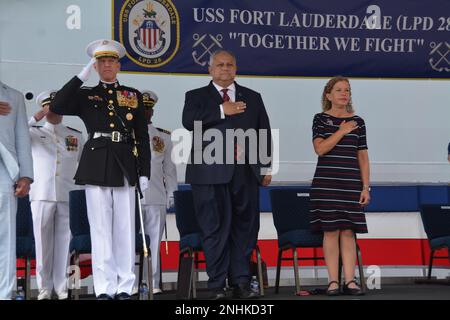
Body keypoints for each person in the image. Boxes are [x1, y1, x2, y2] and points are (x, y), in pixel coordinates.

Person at [50, 39, 151, 300]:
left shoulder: (132, 95)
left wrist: (144, 172)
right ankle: (105, 287)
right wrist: (80, 76)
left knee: (125, 228)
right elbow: (57, 106)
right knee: (100, 228)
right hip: (96, 162)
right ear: (95, 66)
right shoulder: (84, 94)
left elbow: (141, 136)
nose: (107, 65)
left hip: (126, 163)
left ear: (118, 65)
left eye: (111, 61)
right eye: (101, 62)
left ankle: (125, 285)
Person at [182, 50, 272, 300]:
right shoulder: (196, 96)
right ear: (210, 70)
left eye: (229, 65)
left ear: (236, 68)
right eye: (219, 65)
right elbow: (189, 121)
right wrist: (223, 111)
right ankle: (216, 285)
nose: (224, 69)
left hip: (244, 174)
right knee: (214, 228)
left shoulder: (253, 97)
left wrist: (264, 167)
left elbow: (262, 132)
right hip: (208, 174)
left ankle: (241, 282)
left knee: (245, 228)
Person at [309, 76, 370, 296]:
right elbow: (320, 149)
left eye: (347, 90)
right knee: (331, 231)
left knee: (348, 232)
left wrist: (366, 187)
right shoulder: (320, 119)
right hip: (326, 184)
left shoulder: (358, 122)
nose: (344, 94)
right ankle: (333, 281)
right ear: (328, 95)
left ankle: (350, 281)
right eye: (339, 90)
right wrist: (342, 131)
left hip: (351, 184)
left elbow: (362, 156)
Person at [28, 90, 84, 300]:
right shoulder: (32, 132)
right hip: (41, 194)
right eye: (51, 107)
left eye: (59, 107)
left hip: (66, 194)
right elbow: (8, 132)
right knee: (42, 243)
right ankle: (44, 287)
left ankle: (61, 287)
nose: (55, 111)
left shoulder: (75, 135)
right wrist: (37, 116)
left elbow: (81, 165)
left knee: (64, 243)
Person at [140, 90, 177, 294]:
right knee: (131, 242)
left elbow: (169, 170)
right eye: (142, 108)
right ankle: (133, 282)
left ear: (152, 112)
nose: (145, 112)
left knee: (154, 242)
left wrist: (171, 193)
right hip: (131, 199)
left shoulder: (162, 137)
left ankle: (153, 283)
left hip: (156, 197)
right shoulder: (126, 135)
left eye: (148, 109)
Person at [0, 81, 33, 300]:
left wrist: (26, 175)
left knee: (5, 238)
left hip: (5, 172)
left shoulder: (14, 95)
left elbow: (23, 138)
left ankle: (4, 293)